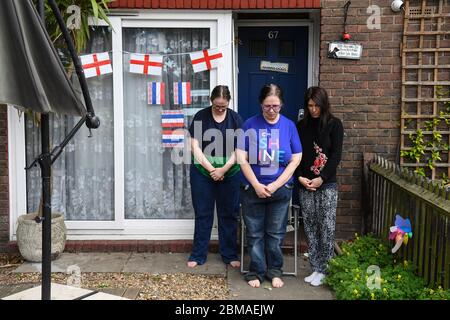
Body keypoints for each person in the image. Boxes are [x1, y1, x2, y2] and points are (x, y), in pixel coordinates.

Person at [236, 84, 302, 288]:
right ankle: (255, 271)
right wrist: (256, 184)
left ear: (281, 104)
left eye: (275, 106)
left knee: (275, 234)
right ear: (260, 105)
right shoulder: (249, 124)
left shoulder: (289, 126)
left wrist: (274, 185)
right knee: (254, 233)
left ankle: (274, 271)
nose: (271, 110)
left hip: (280, 190)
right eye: (267, 106)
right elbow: (241, 158)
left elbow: (296, 158)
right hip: (252, 189)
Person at [187, 85, 243, 268]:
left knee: (228, 214)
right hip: (203, 172)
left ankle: (229, 254)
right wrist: (212, 169)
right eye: (217, 105)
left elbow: (239, 150)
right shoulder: (200, 117)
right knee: (203, 213)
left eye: (223, 106)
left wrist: (223, 170)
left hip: (230, 173)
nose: (220, 109)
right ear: (211, 101)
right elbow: (194, 147)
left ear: (228, 103)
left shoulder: (235, 119)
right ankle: (198, 255)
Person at [295, 86, 344, 286]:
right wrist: (299, 177)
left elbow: (336, 156)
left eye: (316, 105)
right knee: (311, 227)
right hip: (305, 183)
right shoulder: (301, 126)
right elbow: (296, 155)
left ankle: (325, 269)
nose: (313, 109)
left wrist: (322, 178)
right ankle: (315, 267)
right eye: (310, 106)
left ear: (323, 104)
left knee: (326, 227)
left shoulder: (335, 125)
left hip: (327, 185)